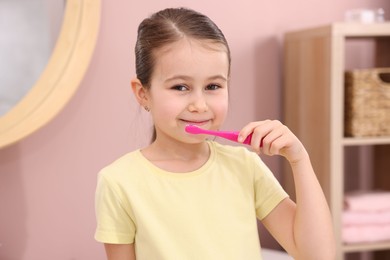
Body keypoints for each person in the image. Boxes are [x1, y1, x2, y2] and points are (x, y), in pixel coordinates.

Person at [94, 7, 335, 260]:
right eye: (180, 87)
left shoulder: (245, 167)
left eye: (213, 86)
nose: (199, 104)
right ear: (143, 93)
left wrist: (299, 159)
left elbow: (318, 256)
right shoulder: (119, 182)